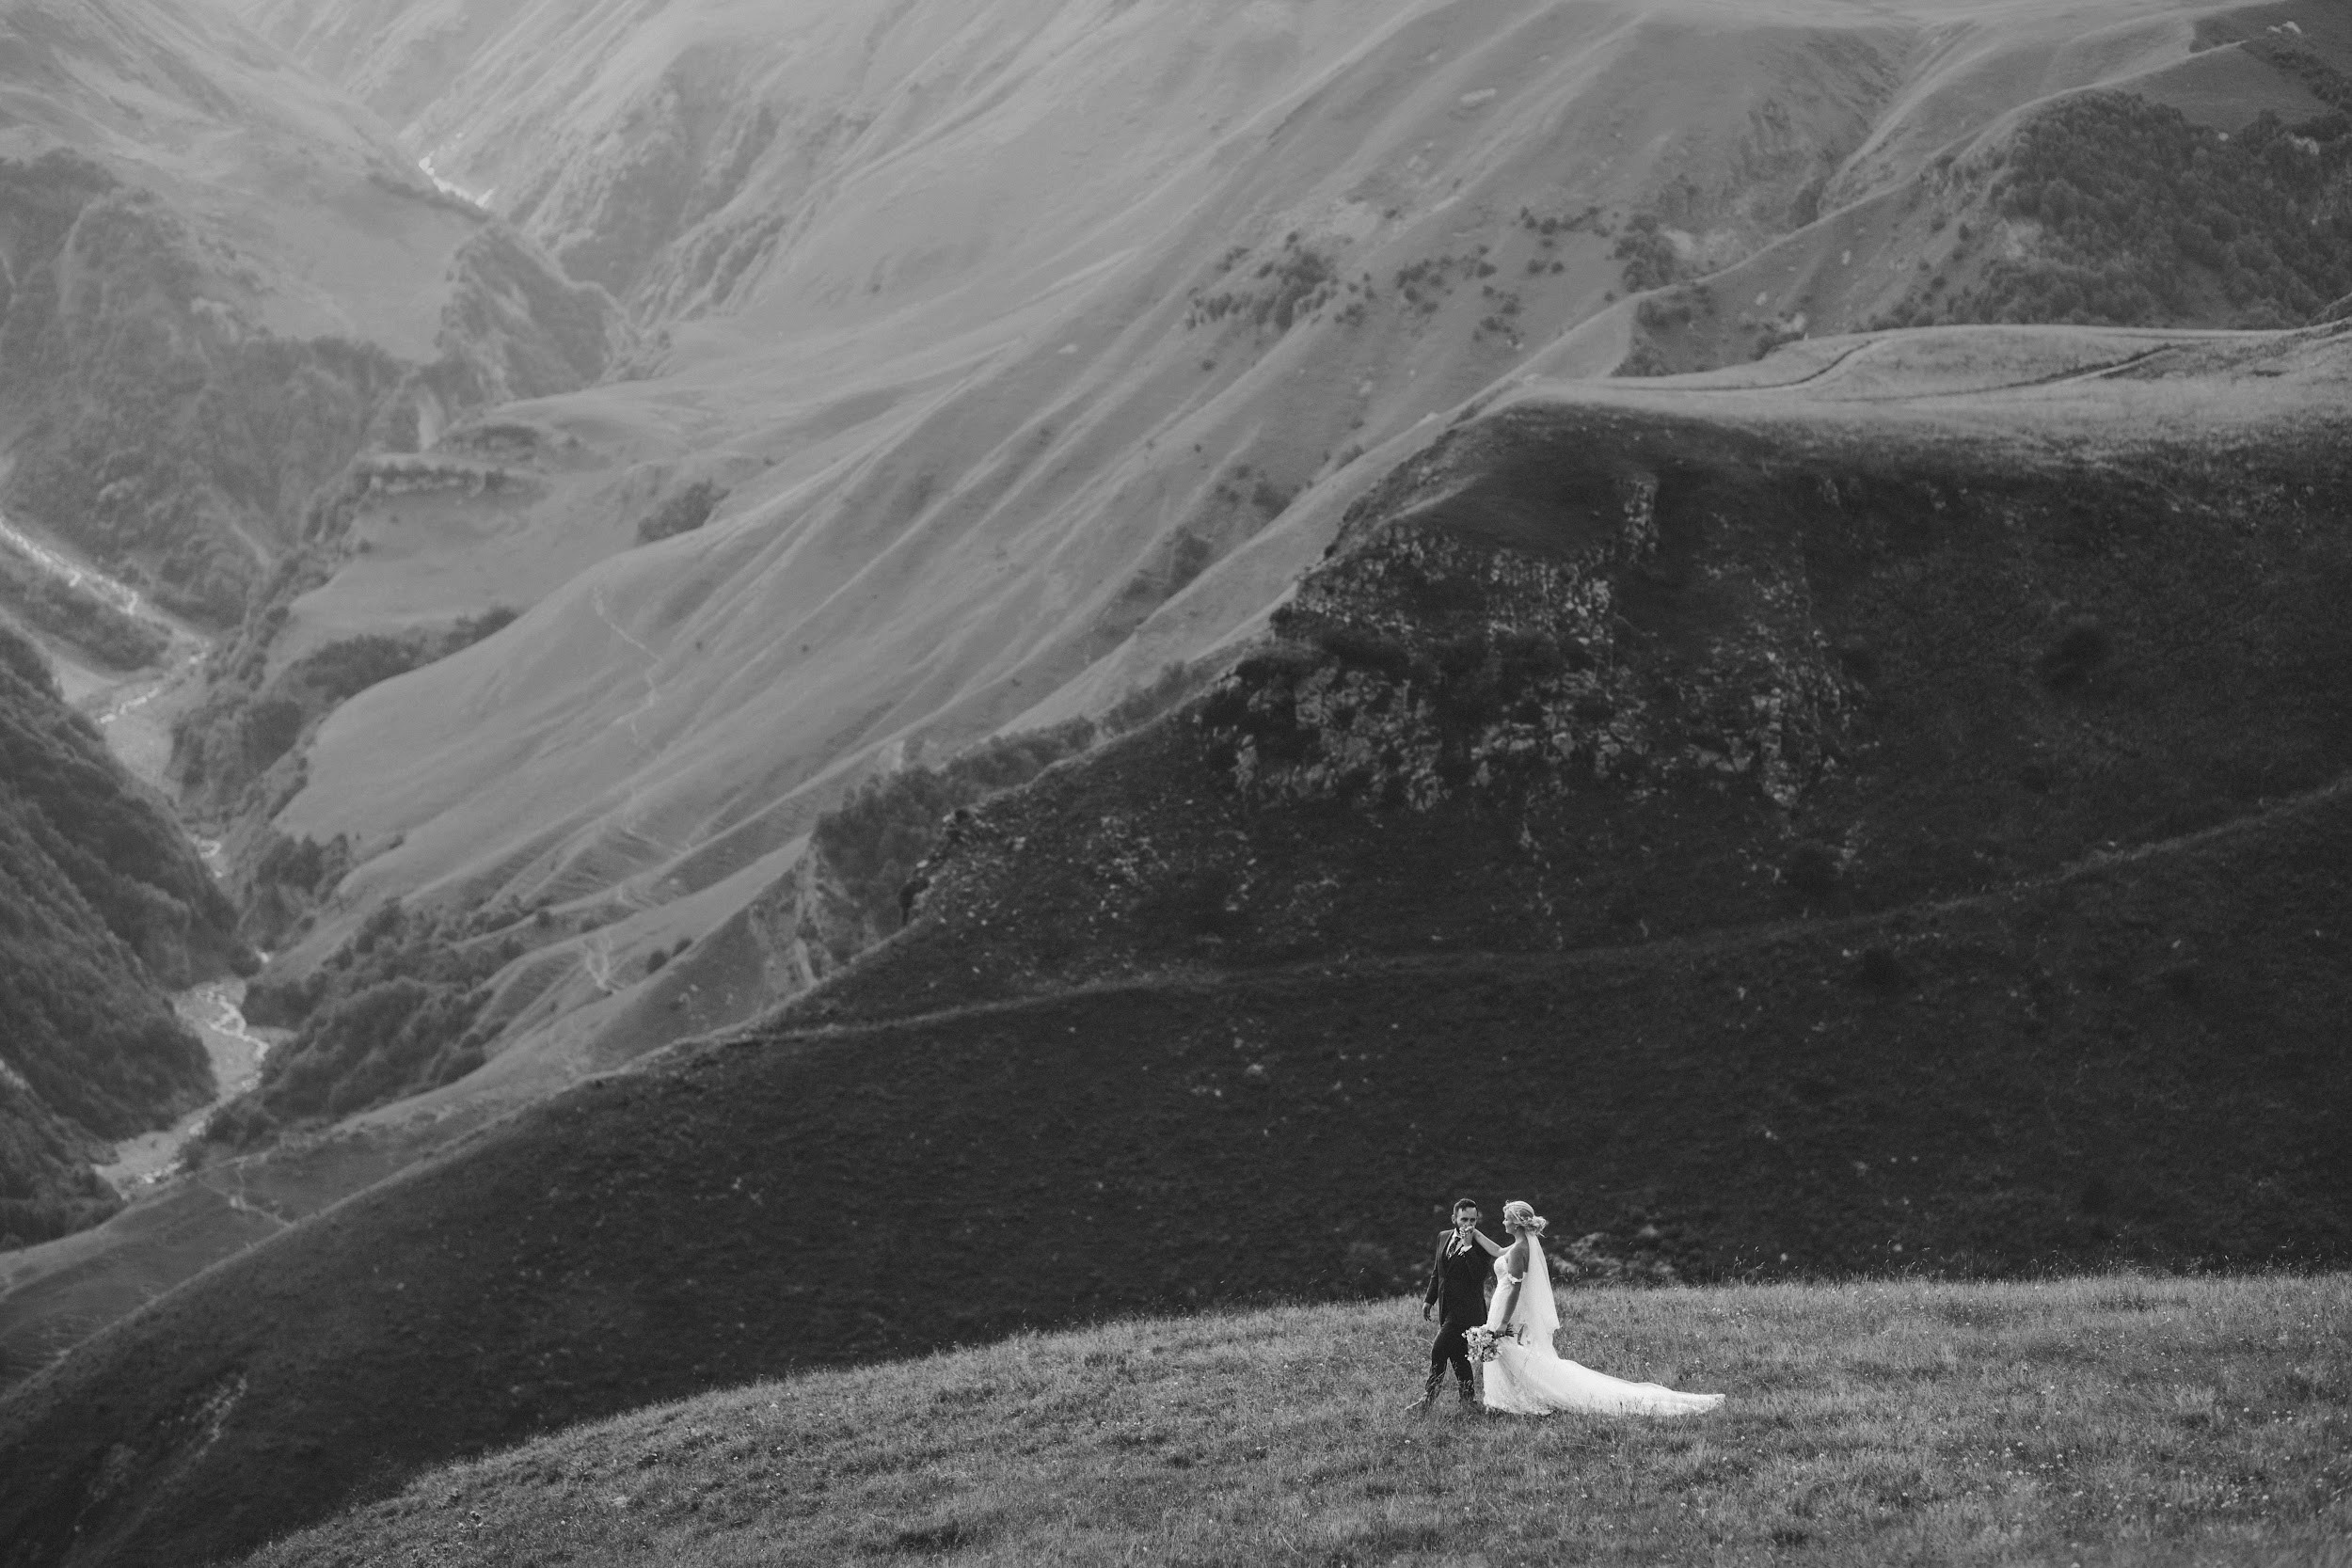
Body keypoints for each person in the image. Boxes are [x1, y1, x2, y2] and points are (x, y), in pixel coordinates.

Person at [1480, 1199, 1724, 1417]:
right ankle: (1510, 1397)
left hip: (1506, 1310)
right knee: (1510, 1353)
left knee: (1513, 1353)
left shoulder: (1520, 1250)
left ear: (1517, 1224)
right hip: (1502, 1307)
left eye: (1506, 1219)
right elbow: (1497, 1251)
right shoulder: (1519, 1246)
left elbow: (1514, 1289)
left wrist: (1503, 1322)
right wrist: (1473, 1234)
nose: (1503, 1222)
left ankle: (1519, 1399)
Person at [1414, 1197, 1503, 1413]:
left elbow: (1478, 1276)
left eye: (1473, 1220)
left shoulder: (1480, 1245)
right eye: (1464, 1219)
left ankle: (1428, 1397)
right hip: (1447, 1308)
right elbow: (1438, 1273)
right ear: (1454, 1218)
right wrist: (1429, 1300)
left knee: (1438, 1349)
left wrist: (1467, 1246)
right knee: (1457, 1356)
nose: (1469, 1225)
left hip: (1468, 1311)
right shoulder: (1443, 1237)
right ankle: (1468, 1401)